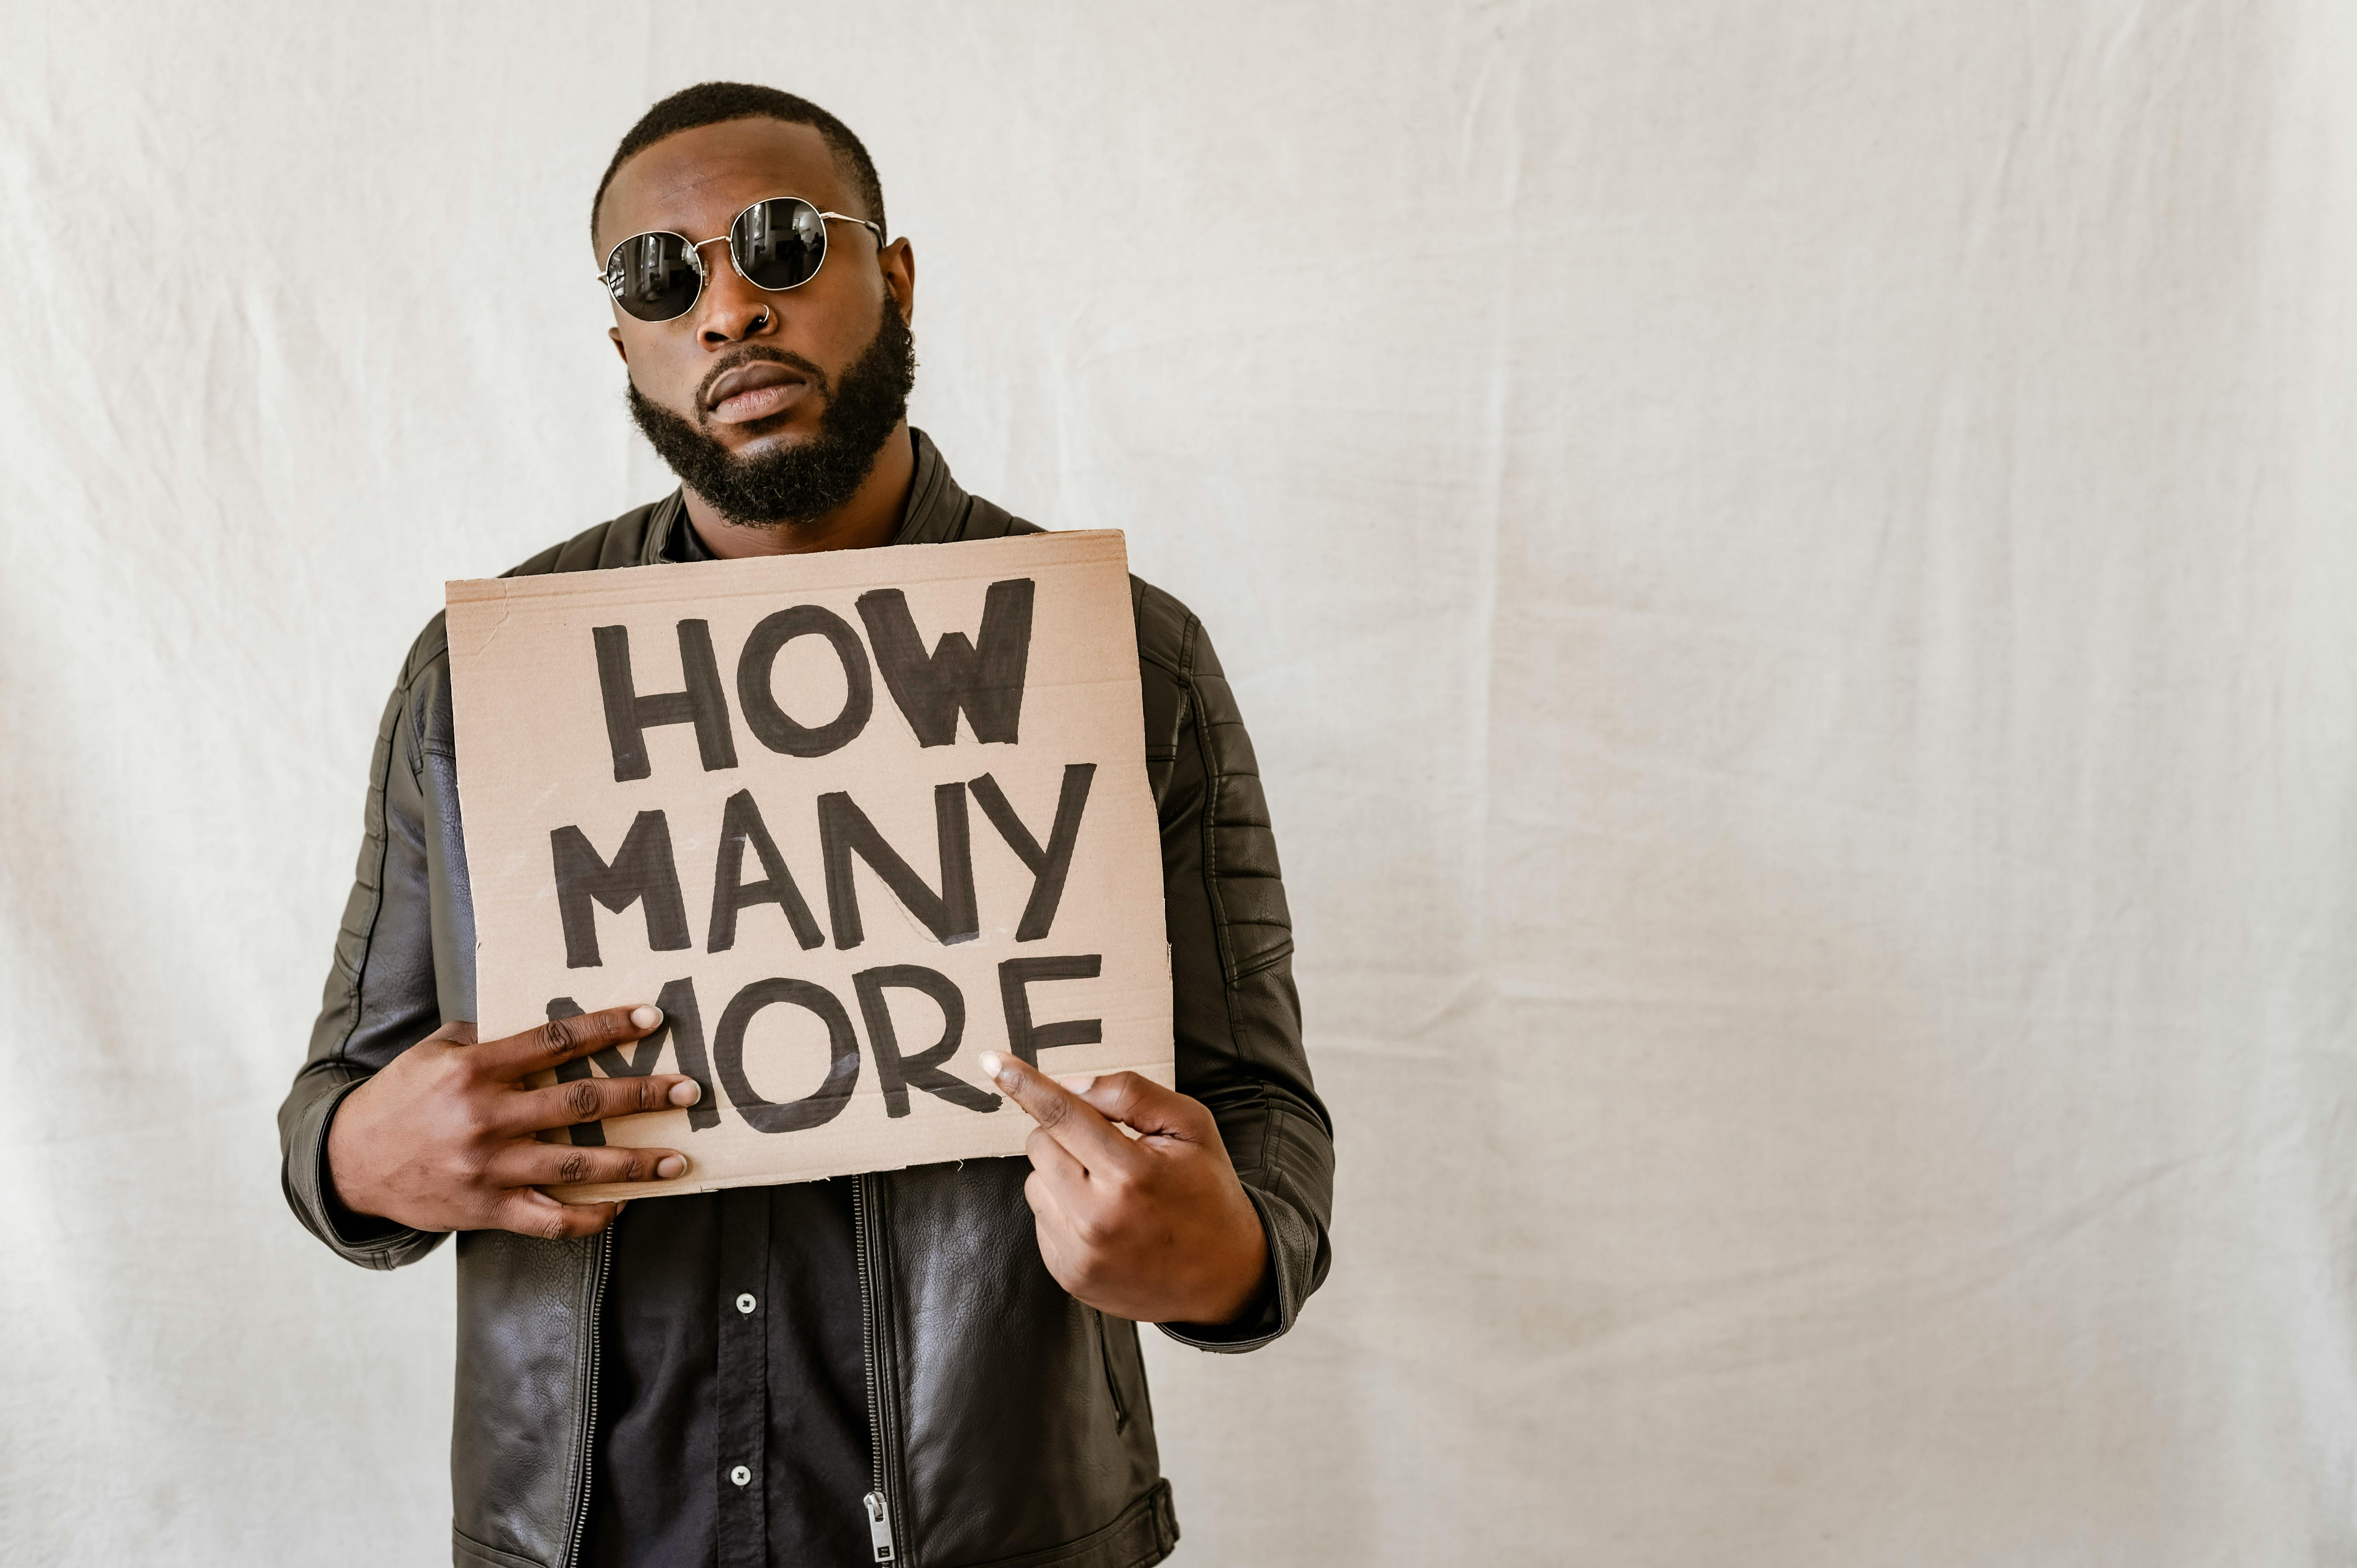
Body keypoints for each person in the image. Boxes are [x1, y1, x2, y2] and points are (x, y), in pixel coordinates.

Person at [275, 81, 1333, 1568]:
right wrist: (355, 1158)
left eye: (780, 246)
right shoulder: (482, 683)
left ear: (891, 277)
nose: (727, 311)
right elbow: (340, 1094)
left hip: (1006, 1533)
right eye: (663, 276)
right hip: (584, 1535)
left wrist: (1224, 1252)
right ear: (628, 343)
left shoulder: (1122, 659)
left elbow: (1262, 1123)